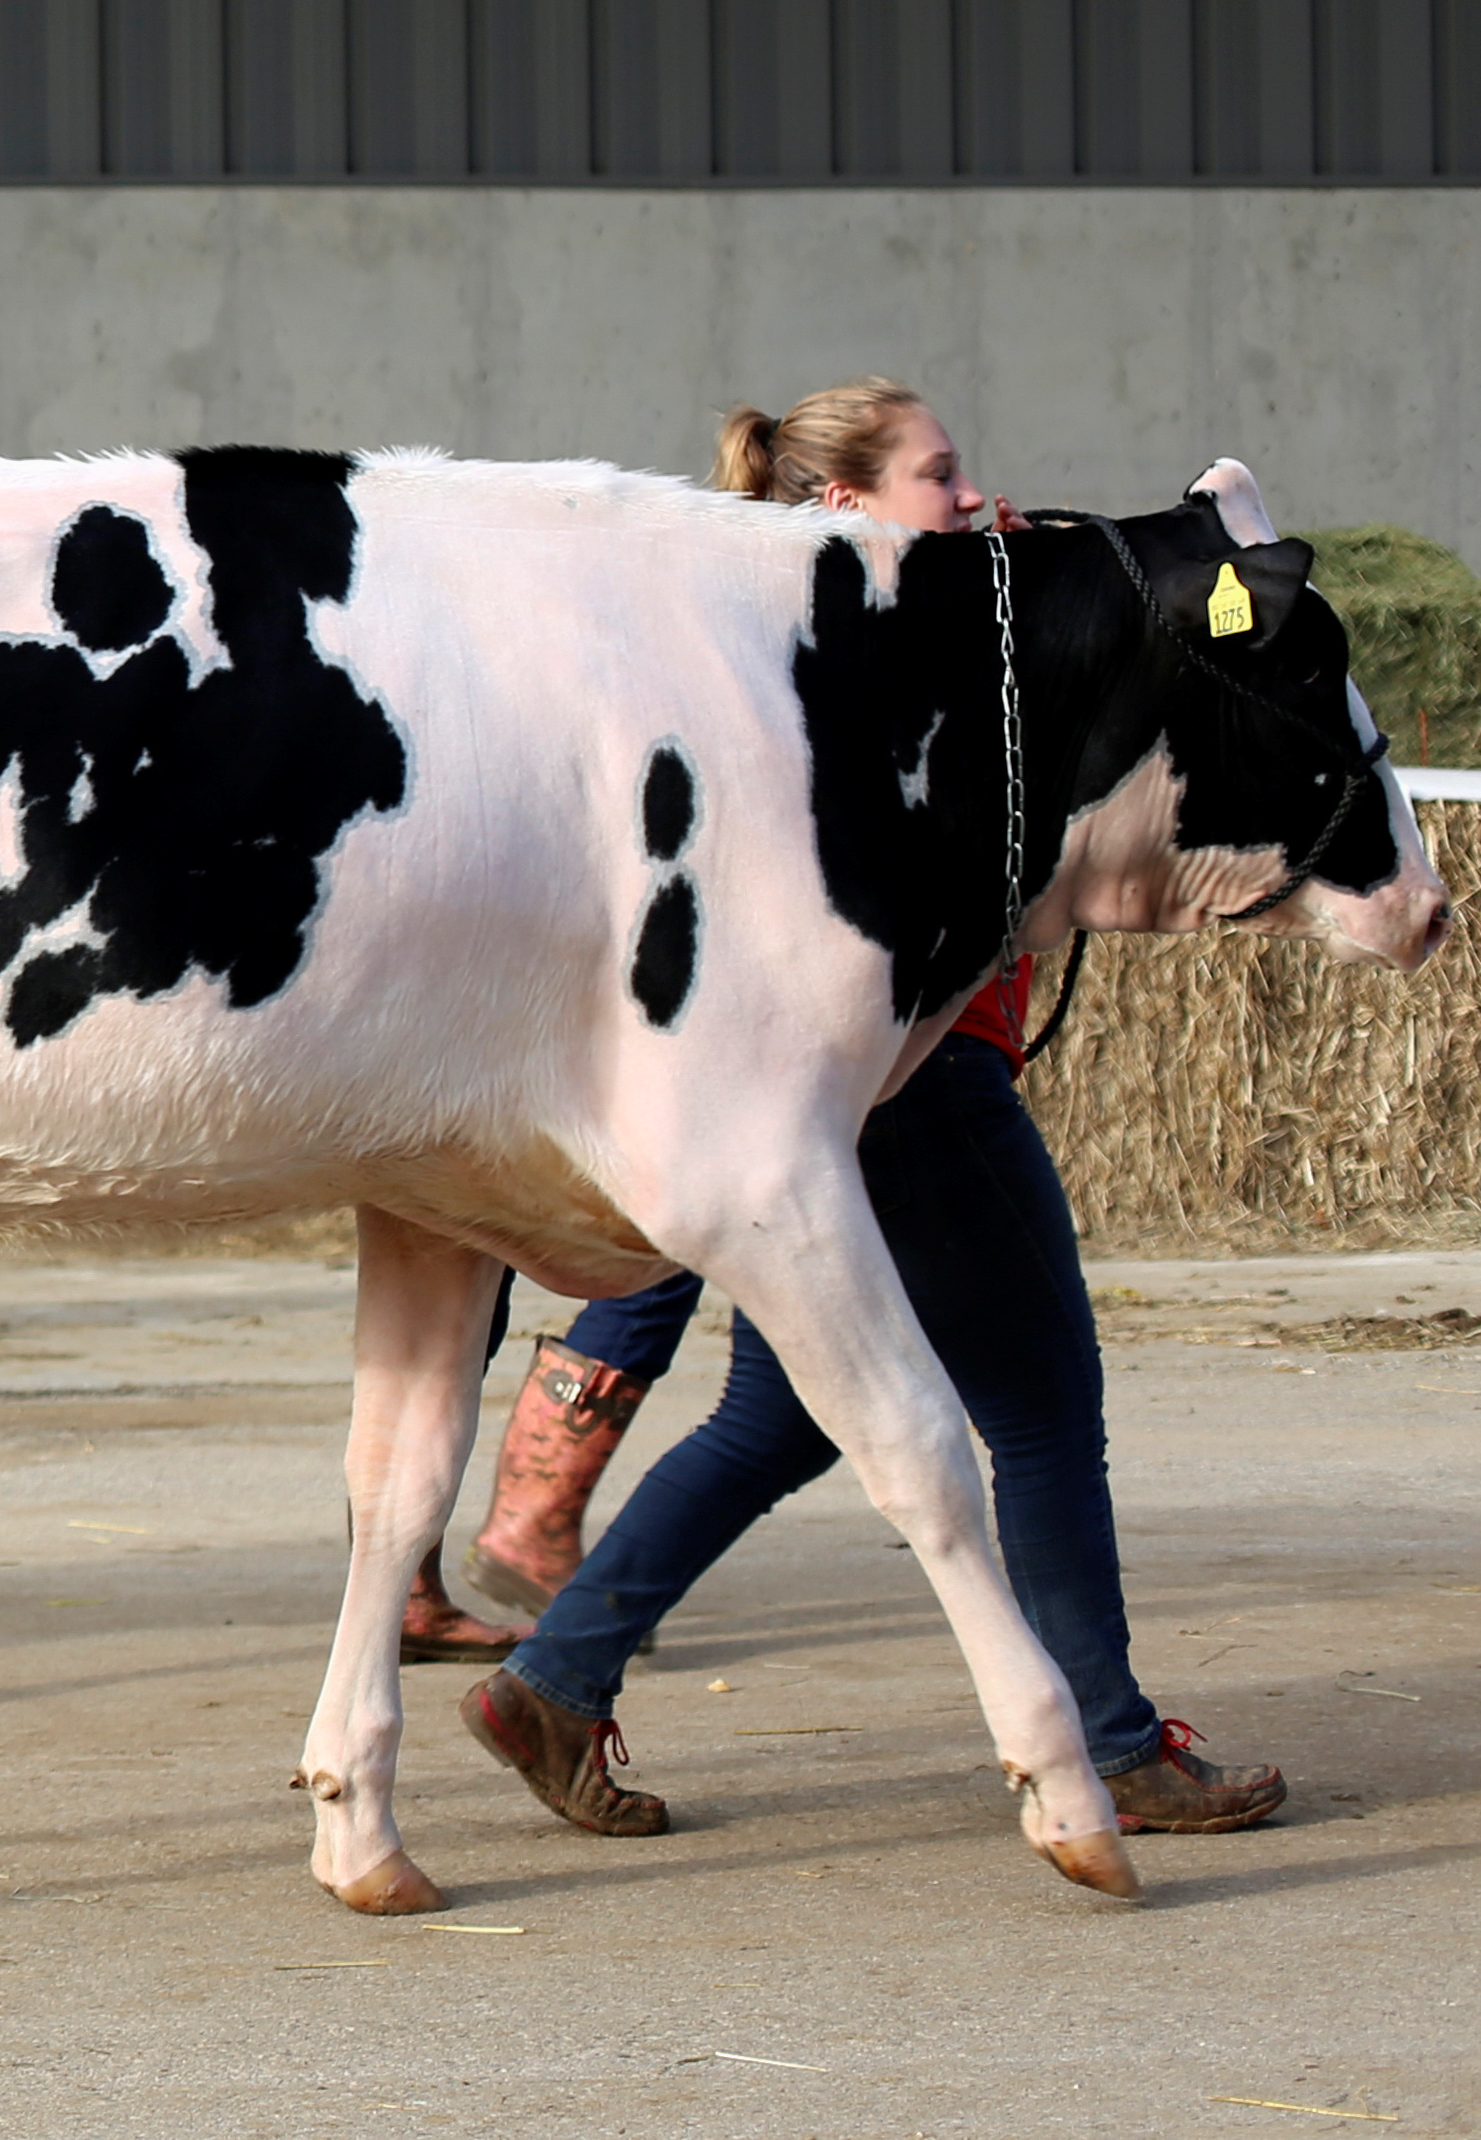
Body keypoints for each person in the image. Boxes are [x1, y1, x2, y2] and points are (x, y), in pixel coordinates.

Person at [463, 378, 1281, 1841]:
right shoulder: (876, 659)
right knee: (1041, 1409)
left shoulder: (798, 645)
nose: (973, 498)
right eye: (939, 475)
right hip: (920, 1069)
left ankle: (557, 1674)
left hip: (848, 1076)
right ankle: (1112, 1742)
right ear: (840, 505)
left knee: (780, 1419)